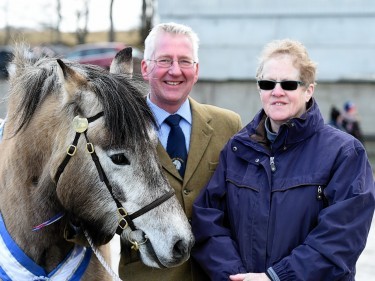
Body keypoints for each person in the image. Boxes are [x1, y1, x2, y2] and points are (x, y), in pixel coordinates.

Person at [191, 39, 375, 281]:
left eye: (288, 84)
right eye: (268, 84)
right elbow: (208, 221)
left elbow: (341, 239)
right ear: (260, 89)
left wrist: (277, 277)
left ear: (308, 90)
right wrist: (236, 276)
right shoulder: (236, 150)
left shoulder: (345, 153)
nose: (277, 92)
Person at [118, 22, 242, 281]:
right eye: (164, 60)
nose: (175, 71)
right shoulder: (118, 130)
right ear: (145, 68)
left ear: (196, 70)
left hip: (218, 275)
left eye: (185, 61)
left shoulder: (228, 125)